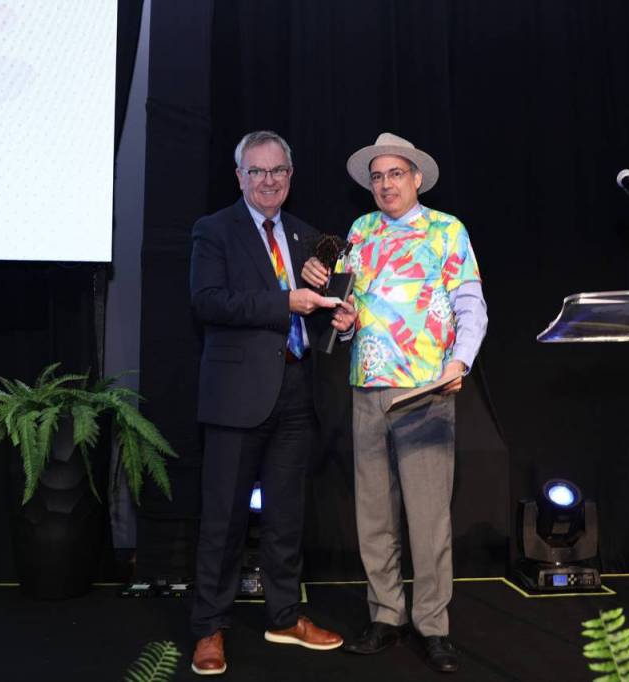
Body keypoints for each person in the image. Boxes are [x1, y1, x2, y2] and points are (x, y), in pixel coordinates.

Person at [302, 132, 487, 674]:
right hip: (367, 385)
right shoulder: (360, 231)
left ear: (417, 178)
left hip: (425, 389)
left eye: (395, 174)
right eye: (378, 177)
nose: (385, 184)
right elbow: (351, 308)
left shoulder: (447, 230)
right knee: (374, 514)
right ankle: (386, 615)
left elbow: (471, 305)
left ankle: (433, 626)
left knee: (428, 519)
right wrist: (346, 319)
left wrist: (460, 361)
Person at [188, 130, 350, 676]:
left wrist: (341, 320)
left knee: (286, 517)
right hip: (235, 397)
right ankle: (209, 628)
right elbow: (208, 302)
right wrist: (285, 301)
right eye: (256, 171)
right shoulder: (214, 230)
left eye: (277, 170)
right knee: (223, 521)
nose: (268, 180)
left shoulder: (308, 237)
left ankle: (284, 616)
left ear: (290, 175)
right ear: (239, 177)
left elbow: (316, 313)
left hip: (297, 392)